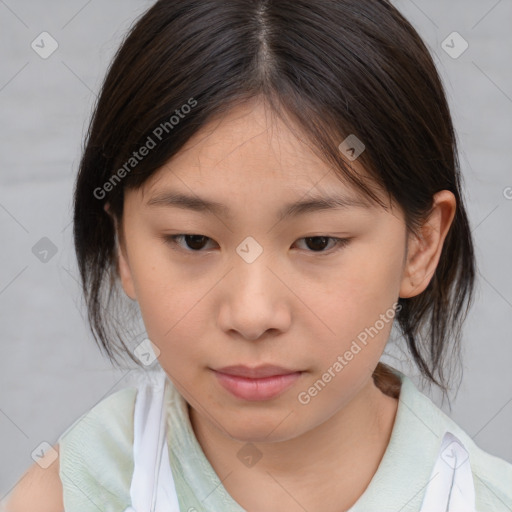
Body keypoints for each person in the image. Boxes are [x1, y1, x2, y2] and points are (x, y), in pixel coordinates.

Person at [3, 0, 512, 510]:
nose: (251, 315)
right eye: (193, 240)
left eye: (317, 242)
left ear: (420, 246)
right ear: (123, 245)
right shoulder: (69, 496)